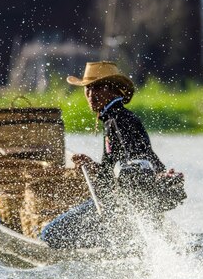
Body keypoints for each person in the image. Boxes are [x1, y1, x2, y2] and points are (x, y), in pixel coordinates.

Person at [40, 61, 183, 249]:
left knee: (49, 234)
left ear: (113, 90)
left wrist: (157, 176)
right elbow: (135, 162)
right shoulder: (118, 118)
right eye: (88, 89)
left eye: (98, 88)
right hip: (124, 203)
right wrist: (92, 165)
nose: (91, 94)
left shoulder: (118, 120)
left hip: (118, 204)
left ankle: (108, 247)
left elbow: (134, 163)